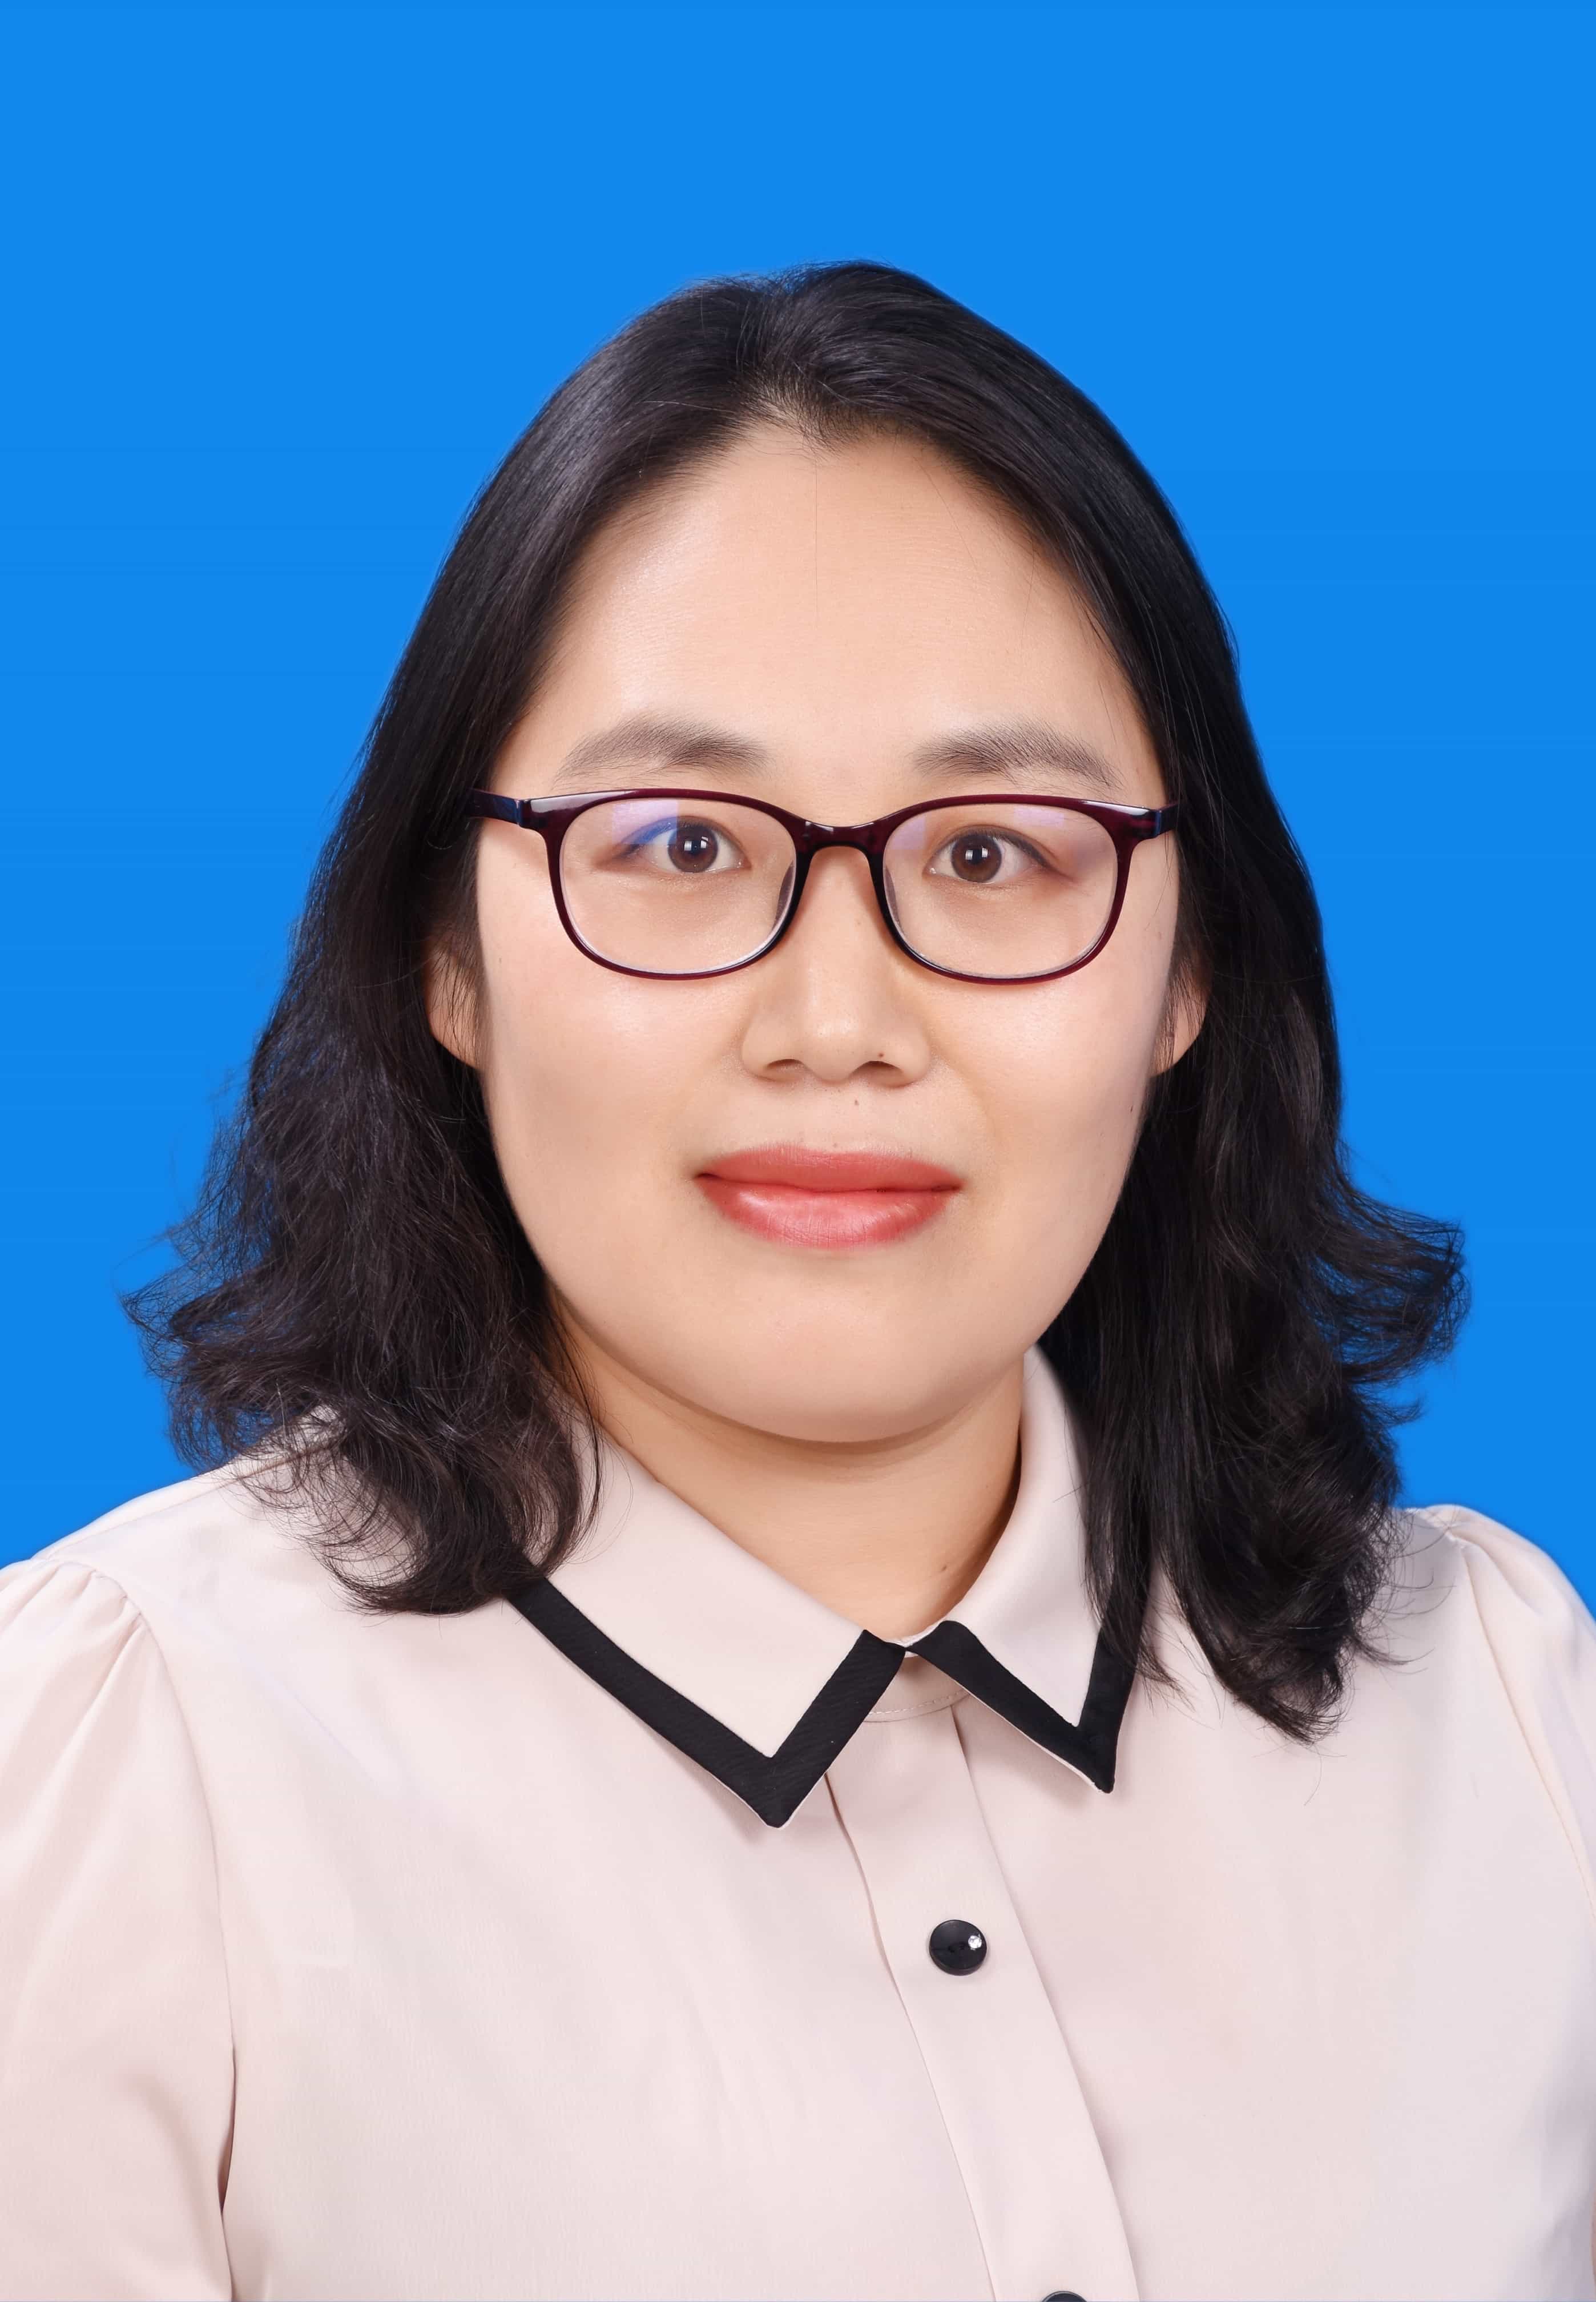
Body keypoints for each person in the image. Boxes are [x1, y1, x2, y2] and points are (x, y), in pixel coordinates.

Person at [1, 261, 1592, 2302]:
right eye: (678, 845)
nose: (836, 1024)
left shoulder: (1501, 1720)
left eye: (991, 853)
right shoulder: (136, 1769)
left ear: (1191, 966)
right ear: (445, 955)